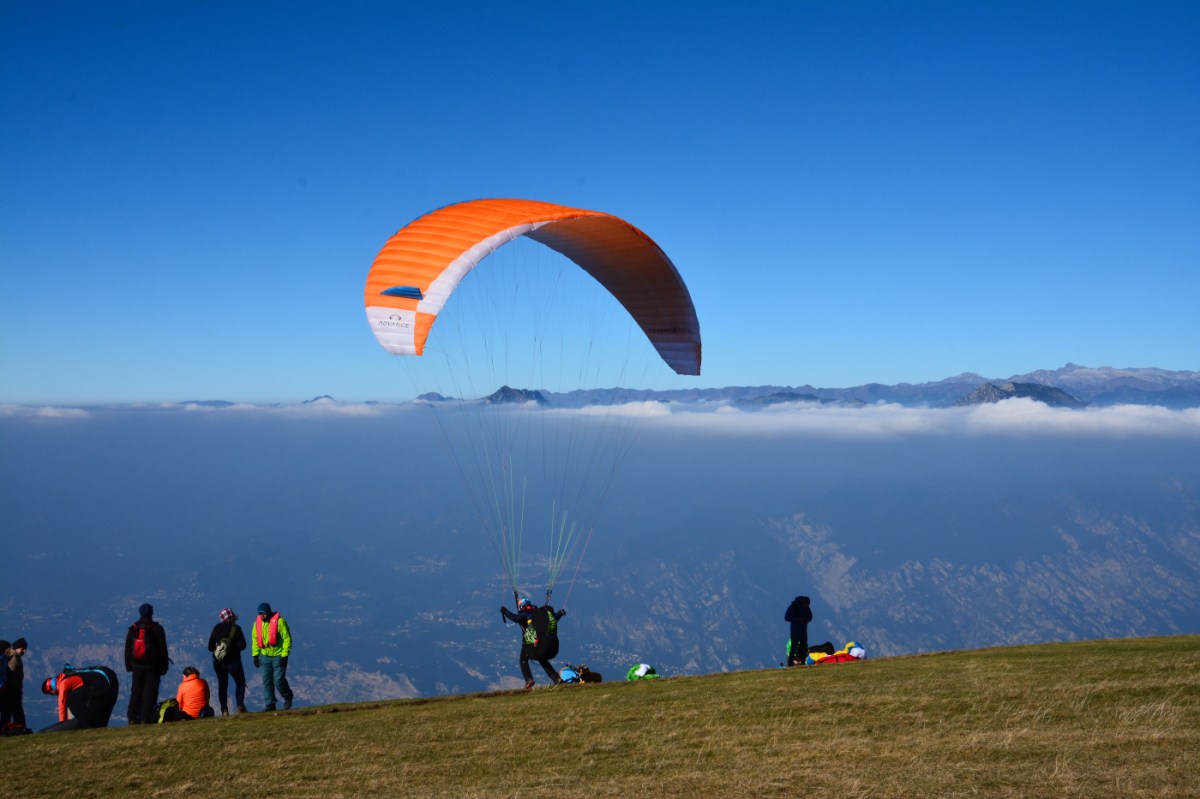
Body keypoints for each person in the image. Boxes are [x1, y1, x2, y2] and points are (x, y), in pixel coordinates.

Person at [500, 596, 566, 689]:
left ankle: (529, 679)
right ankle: (556, 678)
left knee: (523, 660)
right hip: (540, 641)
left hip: (529, 643)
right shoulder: (537, 612)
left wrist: (505, 612)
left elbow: (516, 618)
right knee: (541, 658)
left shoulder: (525, 614)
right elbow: (552, 619)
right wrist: (560, 613)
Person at [125, 603, 170, 724]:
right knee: (150, 692)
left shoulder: (133, 629)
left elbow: (128, 649)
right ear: (151, 613)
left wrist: (129, 666)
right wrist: (164, 667)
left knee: (136, 691)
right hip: (152, 666)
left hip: (136, 665)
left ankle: (132, 717)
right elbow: (163, 649)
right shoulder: (157, 629)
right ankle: (145, 718)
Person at [39, 665, 119, 733]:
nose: (53, 695)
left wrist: (63, 726)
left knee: (71, 699)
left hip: (103, 683)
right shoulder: (67, 675)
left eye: (51, 693)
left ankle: (86, 723)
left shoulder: (63, 683)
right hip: (110, 679)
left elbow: (62, 703)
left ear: (52, 690)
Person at [251, 602, 293, 711]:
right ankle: (270, 704)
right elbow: (255, 640)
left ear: (268, 612)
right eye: (259, 614)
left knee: (278, 679)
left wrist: (284, 655)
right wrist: (255, 655)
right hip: (264, 656)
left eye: (263, 613)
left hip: (278, 655)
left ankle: (287, 696)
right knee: (267, 680)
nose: (261, 616)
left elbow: (287, 639)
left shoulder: (280, 622)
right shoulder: (257, 624)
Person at [207, 608, 248, 715]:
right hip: (234, 661)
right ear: (233, 616)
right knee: (240, 682)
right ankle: (240, 707)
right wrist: (234, 649)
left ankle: (224, 710)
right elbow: (243, 645)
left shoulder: (217, 628)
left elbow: (210, 647)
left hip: (219, 662)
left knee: (223, 685)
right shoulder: (236, 629)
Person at [1, 638, 28, 730]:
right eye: (22, 648)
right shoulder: (14, 658)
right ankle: (20, 728)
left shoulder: (11, 656)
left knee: (7, 712)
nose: (24, 651)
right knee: (17, 711)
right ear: (17, 647)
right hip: (12, 690)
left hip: (9, 690)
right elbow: (11, 675)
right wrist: (16, 689)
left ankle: (5, 728)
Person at [784, 595, 813, 666]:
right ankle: (790, 663)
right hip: (795, 630)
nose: (806, 606)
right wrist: (798, 619)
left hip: (803, 630)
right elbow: (786, 617)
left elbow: (810, 616)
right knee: (794, 647)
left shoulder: (806, 608)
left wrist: (807, 619)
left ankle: (803, 661)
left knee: (803, 646)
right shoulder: (793, 607)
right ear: (802, 602)